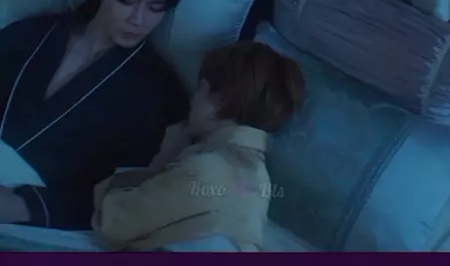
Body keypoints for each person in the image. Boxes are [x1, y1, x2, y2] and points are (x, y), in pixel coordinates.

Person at [0, 0, 190, 230]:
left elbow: (120, 195)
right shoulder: (33, 34)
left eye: (155, 8)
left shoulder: (159, 93)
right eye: (128, 1)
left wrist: (21, 207)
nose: (138, 20)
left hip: (30, 215)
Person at [93, 41, 306, 251]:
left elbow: (111, 224)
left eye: (199, 91)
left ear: (217, 101)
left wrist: (161, 161)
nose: (192, 101)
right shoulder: (260, 180)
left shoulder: (204, 170)